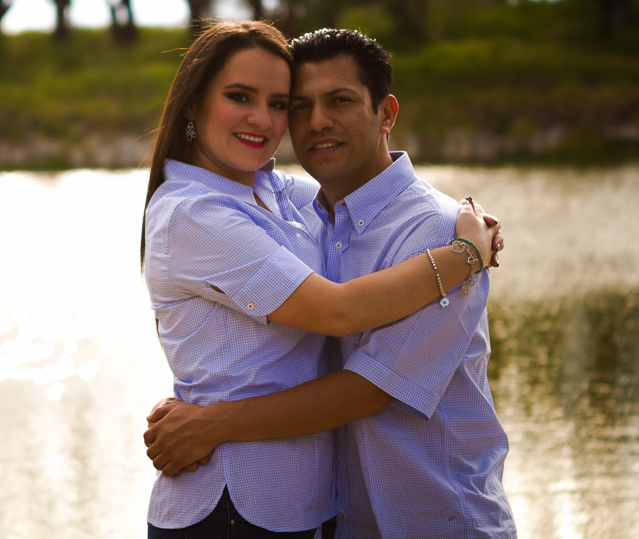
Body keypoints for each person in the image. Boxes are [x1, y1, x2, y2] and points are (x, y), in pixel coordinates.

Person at [144, 28, 516, 538]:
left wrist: (213, 421)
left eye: (279, 104)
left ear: (386, 114)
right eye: (299, 106)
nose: (312, 121)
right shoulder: (212, 212)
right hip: (251, 506)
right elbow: (336, 314)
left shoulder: (417, 225)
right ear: (193, 104)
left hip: (435, 519)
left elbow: (368, 390)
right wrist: (467, 253)